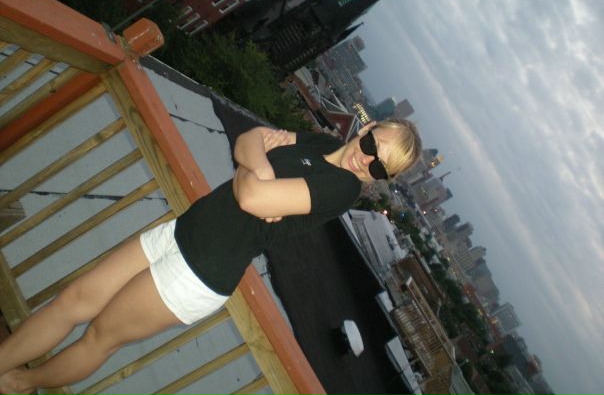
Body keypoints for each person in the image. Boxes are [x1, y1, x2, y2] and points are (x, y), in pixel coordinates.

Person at [0, 119, 421, 394]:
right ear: (368, 126)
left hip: (198, 273)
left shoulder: (342, 189)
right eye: (372, 143)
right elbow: (248, 140)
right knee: (73, 300)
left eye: (379, 167)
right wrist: (262, 170)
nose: (365, 158)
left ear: (382, 179)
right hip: (181, 232)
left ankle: (22, 383)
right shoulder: (325, 143)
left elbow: (250, 196)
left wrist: (254, 172)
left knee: (99, 336)